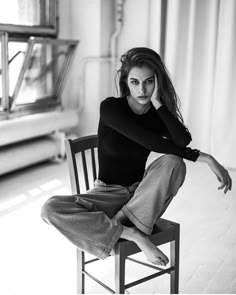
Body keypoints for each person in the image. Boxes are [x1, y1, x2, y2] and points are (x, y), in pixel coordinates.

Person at [41, 47, 232, 266]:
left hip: (141, 196)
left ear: (157, 82)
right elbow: (150, 141)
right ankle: (133, 234)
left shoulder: (155, 114)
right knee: (50, 208)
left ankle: (119, 226)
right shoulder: (111, 108)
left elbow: (182, 140)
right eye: (134, 82)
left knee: (174, 162)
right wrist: (205, 158)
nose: (142, 89)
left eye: (149, 82)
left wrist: (159, 104)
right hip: (107, 194)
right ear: (125, 82)